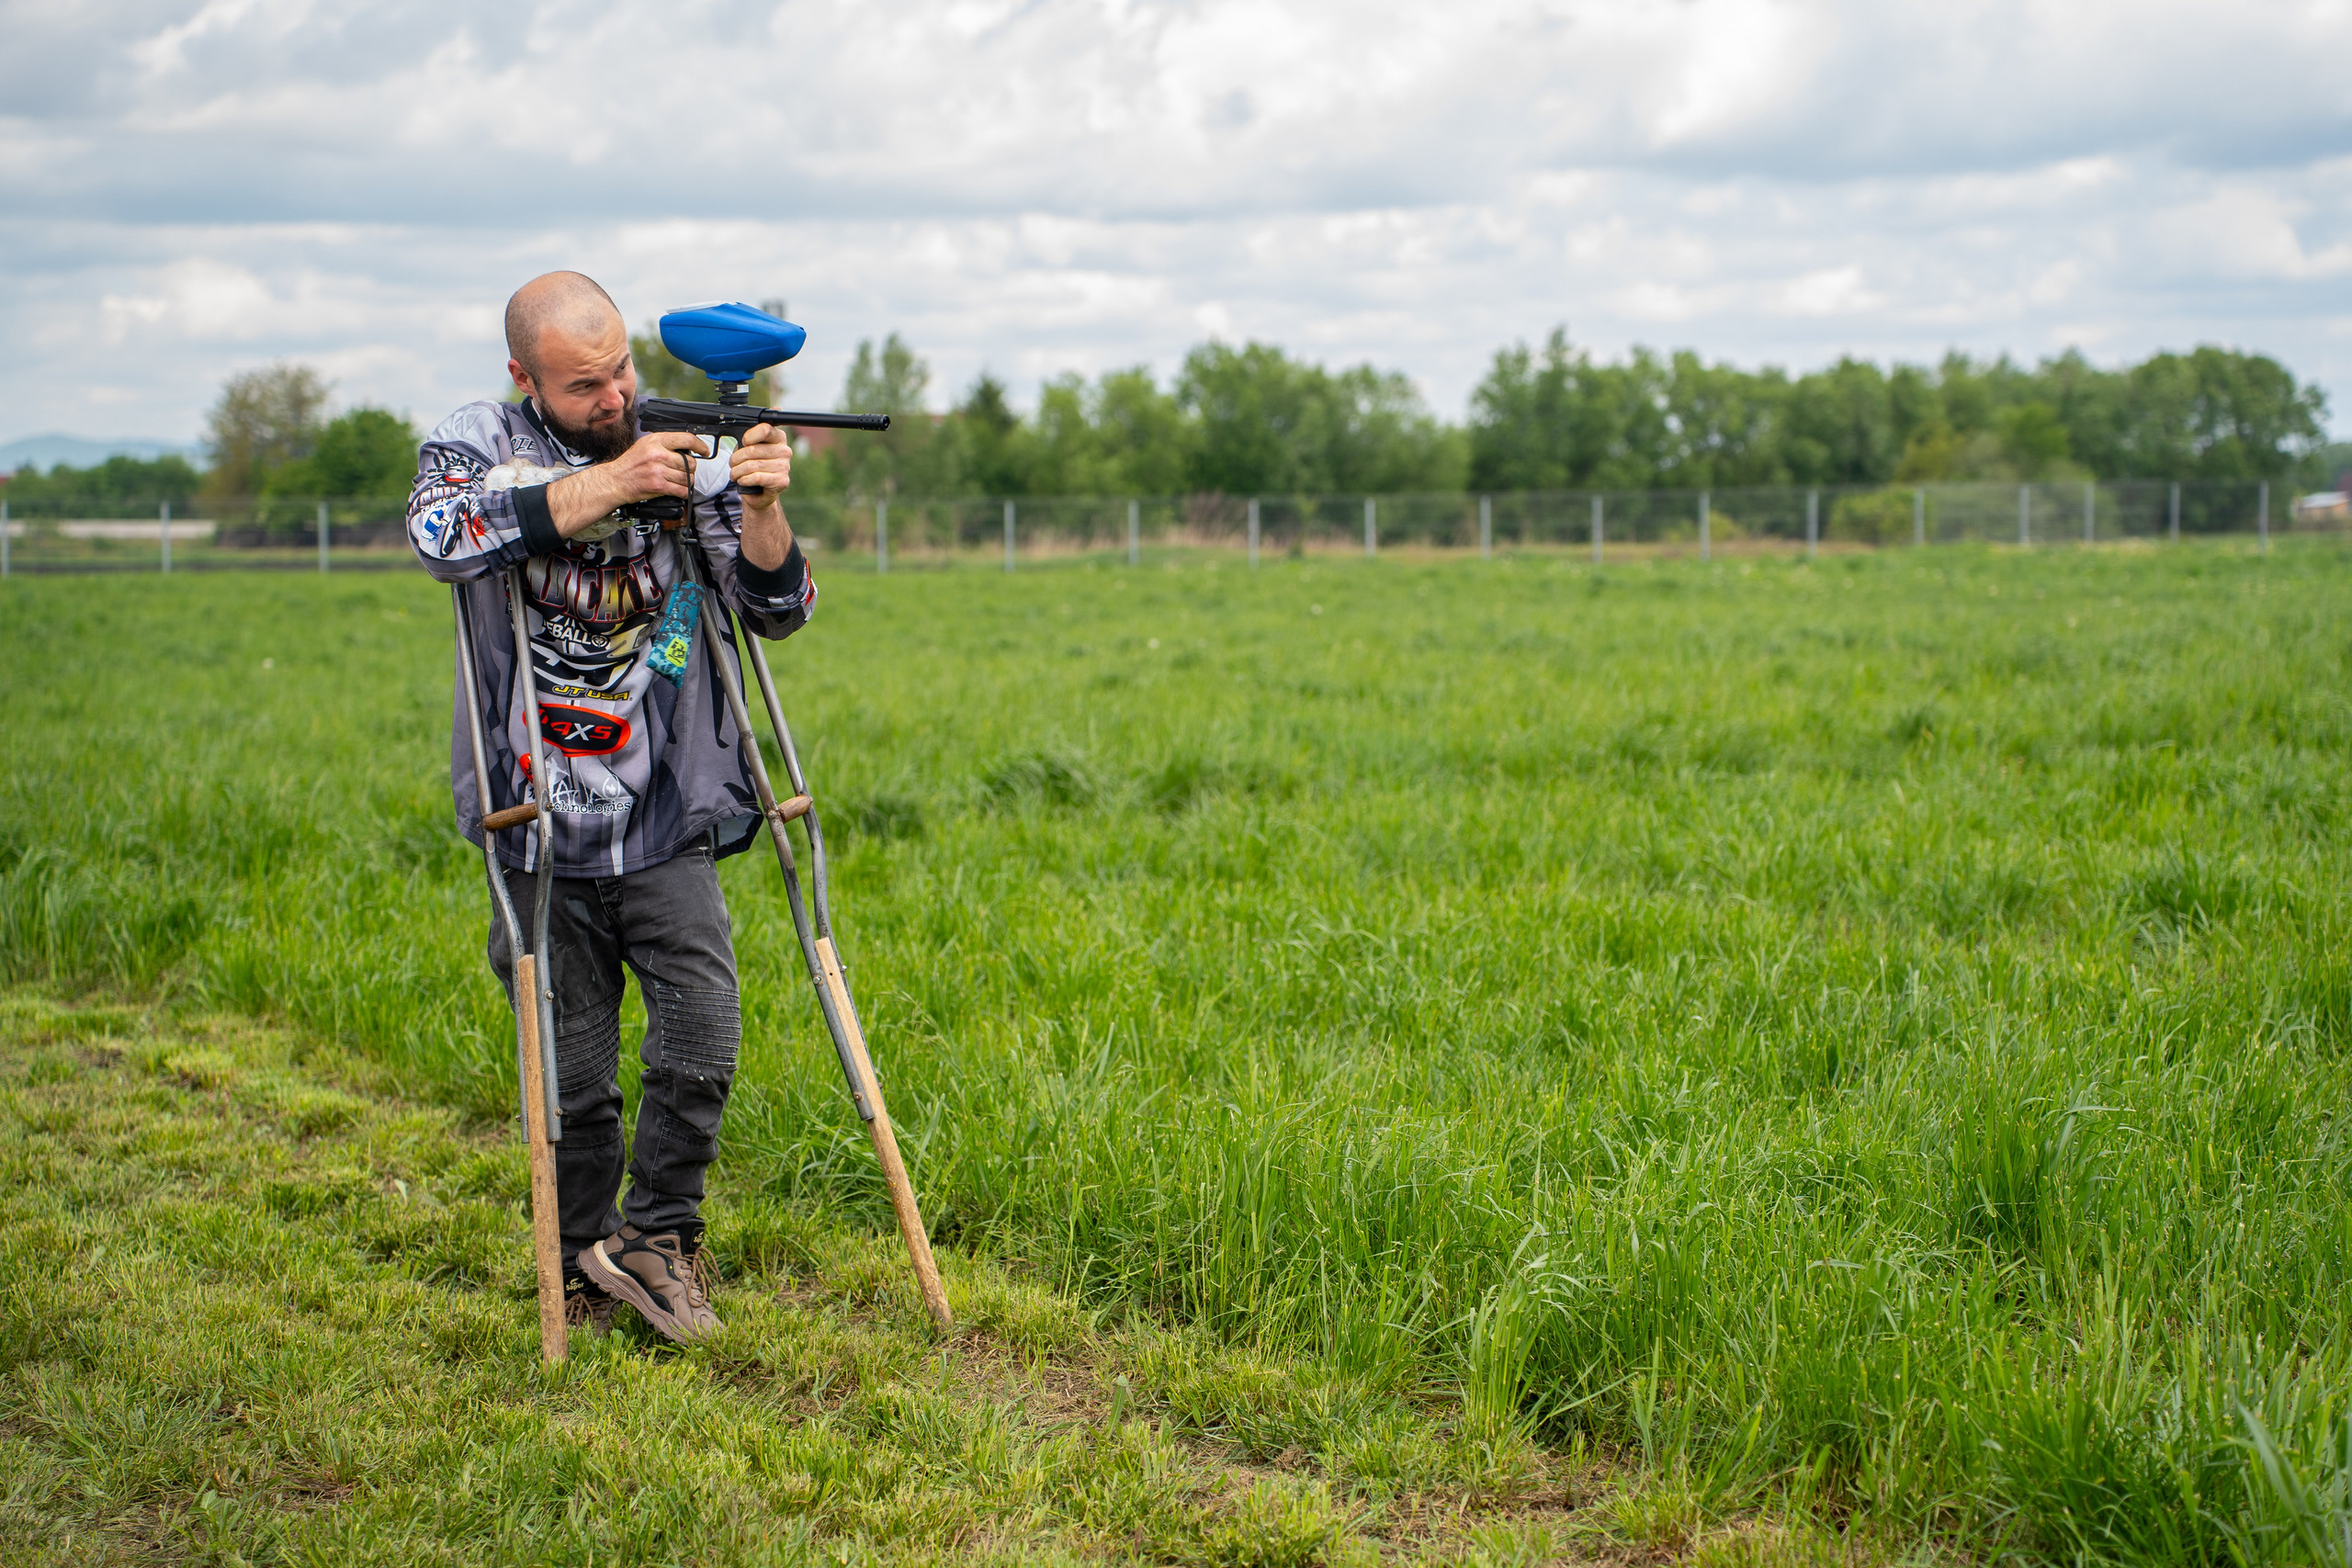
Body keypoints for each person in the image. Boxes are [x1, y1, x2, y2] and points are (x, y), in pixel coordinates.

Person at [406, 271, 813, 1342]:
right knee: (573, 1072)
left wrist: (759, 509)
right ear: (523, 377)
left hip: (670, 804)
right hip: (530, 813)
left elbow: (776, 609)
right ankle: (583, 1266)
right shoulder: (471, 439)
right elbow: (442, 536)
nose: (617, 396)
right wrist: (609, 483)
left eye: (623, 368)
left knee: (703, 1033)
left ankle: (659, 1238)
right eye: (586, 384)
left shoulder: (680, 453)